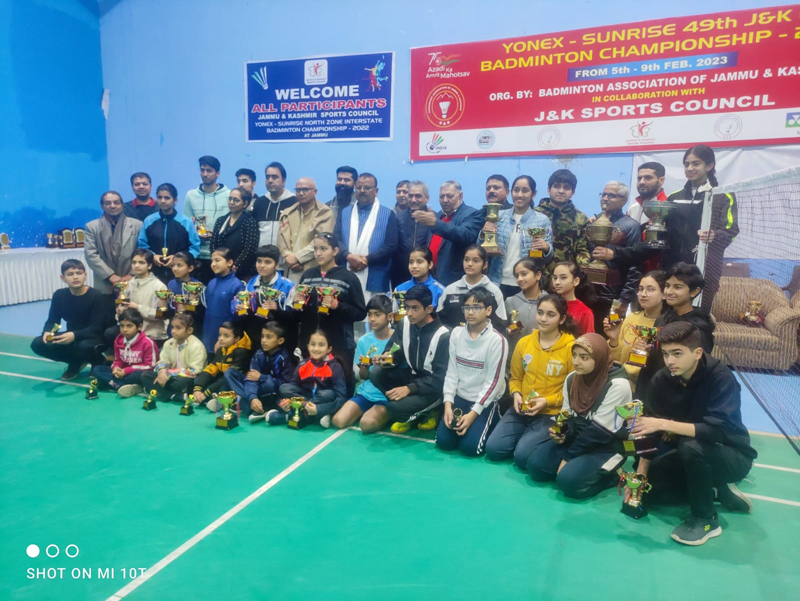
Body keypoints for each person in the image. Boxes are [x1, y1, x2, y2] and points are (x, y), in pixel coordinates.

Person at [629, 322, 756, 546]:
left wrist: (665, 424)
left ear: (697, 353)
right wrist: (640, 479)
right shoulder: (662, 379)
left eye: (677, 353)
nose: (670, 361)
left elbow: (717, 430)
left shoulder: (721, 378)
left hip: (730, 454)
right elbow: (650, 431)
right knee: (652, 491)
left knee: (692, 447)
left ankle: (706, 520)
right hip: (686, 450)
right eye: (666, 354)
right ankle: (715, 490)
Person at [526, 333, 632, 498]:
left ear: (599, 359)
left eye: (584, 357)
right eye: (574, 355)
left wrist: (568, 457)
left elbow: (599, 432)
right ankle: (576, 469)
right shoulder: (572, 379)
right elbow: (567, 416)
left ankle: (613, 475)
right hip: (579, 439)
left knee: (568, 483)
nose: (576, 362)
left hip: (607, 447)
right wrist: (561, 433)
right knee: (535, 466)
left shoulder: (618, 385)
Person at [485, 294, 577, 464]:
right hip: (522, 408)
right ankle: (526, 438)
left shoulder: (570, 348)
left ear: (562, 319)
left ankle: (531, 441)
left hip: (550, 413)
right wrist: (516, 394)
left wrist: (547, 401)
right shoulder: (524, 343)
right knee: (493, 449)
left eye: (550, 315)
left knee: (522, 457)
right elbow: (515, 377)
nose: (543, 319)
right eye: (540, 312)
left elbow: (572, 392)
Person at [436, 287, 508, 457]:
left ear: (488, 310)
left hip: (484, 402)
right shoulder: (456, 334)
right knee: (444, 443)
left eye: (476, 307)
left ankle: (493, 419)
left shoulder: (497, 341)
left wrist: (473, 414)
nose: (470, 312)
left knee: (470, 449)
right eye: (467, 307)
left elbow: (493, 383)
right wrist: (448, 405)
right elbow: (452, 372)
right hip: (460, 398)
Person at [370, 285, 450, 434]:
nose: (409, 313)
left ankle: (433, 409)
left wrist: (408, 389)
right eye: (407, 307)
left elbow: (440, 380)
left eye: (415, 308)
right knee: (376, 373)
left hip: (434, 388)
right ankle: (411, 410)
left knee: (395, 409)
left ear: (429, 309)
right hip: (412, 378)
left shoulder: (443, 335)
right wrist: (387, 357)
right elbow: (394, 349)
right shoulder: (404, 323)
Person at [666, 145, 737, 311]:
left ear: (709, 165)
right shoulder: (673, 197)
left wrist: (714, 235)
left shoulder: (723, 195)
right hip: (672, 265)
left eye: (696, 163)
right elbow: (665, 229)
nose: (690, 168)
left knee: (699, 315)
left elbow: (731, 230)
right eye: (686, 164)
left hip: (705, 268)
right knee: (669, 314)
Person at [635, 262, 715, 403]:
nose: (669, 292)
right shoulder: (662, 319)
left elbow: (699, 369)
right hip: (651, 388)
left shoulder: (697, 328)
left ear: (694, 292)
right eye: (667, 286)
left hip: (675, 397)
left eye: (677, 287)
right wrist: (647, 350)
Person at [294, 233, 367, 369]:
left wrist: (338, 306)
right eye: (315, 249)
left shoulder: (348, 277)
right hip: (310, 343)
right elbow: (299, 315)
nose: (318, 253)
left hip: (339, 345)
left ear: (335, 251)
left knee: (339, 379)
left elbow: (361, 313)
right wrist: (298, 304)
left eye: (323, 249)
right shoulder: (308, 276)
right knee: (308, 379)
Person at [30, 259, 106, 380]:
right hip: (71, 335)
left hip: (94, 337)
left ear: (85, 275)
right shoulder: (59, 295)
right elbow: (53, 320)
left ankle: (98, 362)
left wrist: (74, 335)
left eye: (79, 273)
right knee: (38, 344)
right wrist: (48, 331)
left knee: (82, 346)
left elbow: (97, 328)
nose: (75, 277)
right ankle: (75, 362)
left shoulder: (96, 296)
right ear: (63, 278)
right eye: (70, 274)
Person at [332, 295, 395, 432]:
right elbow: (363, 376)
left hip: (387, 395)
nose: (372, 319)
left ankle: (391, 413)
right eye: (370, 314)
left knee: (366, 425)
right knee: (338, 421)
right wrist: (364, 368)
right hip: (366, 393)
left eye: (377, 314)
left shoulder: (398, 340)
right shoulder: (363, 341)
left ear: (389, 316)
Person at [483, 175, 553, 296]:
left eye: (525, 190)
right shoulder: (499, 216)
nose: (519, 195)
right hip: (497, 282)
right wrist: (483, 233)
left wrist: (546, 248)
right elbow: (482, 250)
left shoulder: (542, 220)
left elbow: (548, 257)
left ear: (533, 194)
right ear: (511, 192)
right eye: (516, 190)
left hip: (526, 283)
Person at [588, 180, 642, 335]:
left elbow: (636, 266)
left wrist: (624, 300)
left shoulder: (630, 226)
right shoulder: (593, 223)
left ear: (624, 201)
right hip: (589, 293)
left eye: (611, 195)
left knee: (610, 334)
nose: (605, 198)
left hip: (614, 297)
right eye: (603, 194)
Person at [334, 173, 399, 299]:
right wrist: (349, 256)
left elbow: (391, 245)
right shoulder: (345, 212)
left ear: (376, 191)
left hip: (376, 276)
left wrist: (365, 260)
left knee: (375, 309)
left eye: (367, 188)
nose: (362, 191)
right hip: (346, 271)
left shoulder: (387, 214)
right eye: (358, 188)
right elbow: (336, 239)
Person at [410, 180, 483, 286]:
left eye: (449, 196)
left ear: (460, 196)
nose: (445, 200)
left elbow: (464, 235)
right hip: (432, 279)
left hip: (454, 279)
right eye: (441, 197)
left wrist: (435, 223)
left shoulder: (472, 214)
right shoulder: (438, 215)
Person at [273, 330, 348, 428]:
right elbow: (292, 387)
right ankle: (310, 413)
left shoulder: (335, 367)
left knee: (327, 394)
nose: (316, 349)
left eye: (321, 345)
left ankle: (297, 415)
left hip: (322, 400)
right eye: (313, 344)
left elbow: (342, 398)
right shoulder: (303, 364)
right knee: (284, 388)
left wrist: (319, 409)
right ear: (308, 346)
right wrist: (284, 402)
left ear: (329, 348)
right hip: (306, 397)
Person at [605, 271, 666, 392]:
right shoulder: (632, 317)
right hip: (618, 384)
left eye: (650, 289)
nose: (643, 294)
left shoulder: (666, 325)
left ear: (664, 294)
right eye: (641, 289)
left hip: (645, 389)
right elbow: (616, 360)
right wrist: (613, 340)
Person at [233, 245, 296, 354]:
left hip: (278, 342)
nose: (262, 266)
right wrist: (242, 308)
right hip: (255, 336)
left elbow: (294, 317)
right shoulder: (251, 283)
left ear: (277, 265)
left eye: (267, 262)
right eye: (259, 261)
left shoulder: (288, 286)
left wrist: (278, 308)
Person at [225, 321, 294, 420]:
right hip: (256, 389)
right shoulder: (258, 354)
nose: (263, 341)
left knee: (269, 383)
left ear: (280, 341)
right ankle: (252, 404)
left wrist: (262, 377)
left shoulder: (285, 357)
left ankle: (255, 407)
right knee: (229, 373)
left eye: (268, 337)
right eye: (262, 336)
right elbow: (251, 379)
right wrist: (253, 397)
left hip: (272, 392)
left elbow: (285, 384)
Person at [84, 191, 142, 308]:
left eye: (116, 202)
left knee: (132, 316)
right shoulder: (92, 227)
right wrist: (111, 276)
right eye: (108, 203)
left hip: (132, 280)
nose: (112, 206)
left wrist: (131, 274)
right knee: (106, 316)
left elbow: (142, 252)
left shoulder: (137, 225)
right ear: (102, 206)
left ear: (122, 205)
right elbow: (91, 255)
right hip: (104, 283)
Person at [105, 249, 169, 347]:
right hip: (131, 330)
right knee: (109, 333)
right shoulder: (127, 284)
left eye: (141, 263)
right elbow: (121, 313)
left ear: (149, 266)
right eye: (134, 262)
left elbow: (162, 315)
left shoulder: (159, 286)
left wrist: (138, 307)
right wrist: (120, 313)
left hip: (151, 332)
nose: (137, 266)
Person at [138, 183, 200, 283]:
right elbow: (142, 245)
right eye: (160, 197)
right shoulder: (149, 220)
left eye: (167, 198)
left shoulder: (185, 222)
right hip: (154, 274)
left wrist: (177, 259)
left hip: (181, 276)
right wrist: (153, 256)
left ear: (175, 200)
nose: (163, 201)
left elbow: (194, 247)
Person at [277, 177, 335, 283]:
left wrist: (298, 258)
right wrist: (288, 257)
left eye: (305, 189)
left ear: (315, 191)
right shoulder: (288, 213)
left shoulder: (324, 212)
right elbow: (281, 240)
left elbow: (321, 242)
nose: (301, 193)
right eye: (298, 190)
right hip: (290, 267)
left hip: (313, 268)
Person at [182, 155, 230, 283]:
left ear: (217, 173)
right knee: (196, 292)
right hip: (196, 254)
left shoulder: (228, 195)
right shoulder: (191, 195)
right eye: (202, 170)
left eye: (209, 171)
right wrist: (196, 233)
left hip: (220, 255)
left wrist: (216, 236)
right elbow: (186, 224)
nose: (205, 174)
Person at [90, 308, 158, 397]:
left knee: (141, 375)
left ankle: (111, 383)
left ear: (139, 326)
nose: (125, 329)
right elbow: (118, 360)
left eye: (129, 326)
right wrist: (115, 368)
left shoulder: (148, 343)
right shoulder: (119, 341)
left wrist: (126, 371)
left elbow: (151, 366)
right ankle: (122, 385)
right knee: (97, 369)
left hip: (136, 373)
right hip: (123, 373)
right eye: (122, 326)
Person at [140, 314, 207, 403]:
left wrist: (168, 373)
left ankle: (155, 391)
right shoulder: (168, 343)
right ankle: (173, 396)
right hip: (170, 377)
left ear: (189, 330)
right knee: (145, 375)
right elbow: (162, 362)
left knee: (178, 383)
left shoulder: (197, 346)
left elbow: (194, 371)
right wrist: (162, 372)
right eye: (172, 327)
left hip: (188, 379)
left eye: (178, 328)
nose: (173, 331)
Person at [438, 245, 507, 331]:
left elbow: (500, 323)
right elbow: (440, 321)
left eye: (475, 260)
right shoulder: (450, 290)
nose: (469, 264)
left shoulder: (494, 291)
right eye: (466, 259)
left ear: (485, 265)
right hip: (453, 338)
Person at [534, 169, 591, 275]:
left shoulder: (581, 218)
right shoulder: (534, 214)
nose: (561, 191)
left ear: (572, 192)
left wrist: (582, 273)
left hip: (568, 278)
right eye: (556, 186)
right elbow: (528, 248)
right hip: (539, 275)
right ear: (548, 190)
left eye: (566, 188)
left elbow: (582, 250)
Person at [192, 321, 252, 409]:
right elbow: (210, 370)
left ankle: (221, 401)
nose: (221, 339)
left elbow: (228, 378)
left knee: (224, 385)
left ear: (237, 338)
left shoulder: (241, 352)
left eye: (226, 336)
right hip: (222, 379)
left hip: (238, 383)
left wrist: (206, 392)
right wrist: (197, 389)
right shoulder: (221, 350)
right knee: (198, 380)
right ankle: (208, 398)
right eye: (220, 335)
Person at [201, 247, 245, 354]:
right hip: (207, 334)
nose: (213, 264)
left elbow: (236, 317)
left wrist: (223, 338)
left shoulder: (237, 285)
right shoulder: (211, 282)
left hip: (224, 339)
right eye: (212, 261)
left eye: (217, 260)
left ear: (229, 262)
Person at [210, 186, 259, 281]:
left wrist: (234, 266)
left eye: (236, 200)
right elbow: (213, 244)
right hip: (220, 269)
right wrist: (217, 262)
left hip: (242, 272)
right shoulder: (220, 221)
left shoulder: (250, 222)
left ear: (245, 204)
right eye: (230, 199)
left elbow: (250, 248)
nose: (231, 202)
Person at [394, 180, 434, 287]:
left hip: (427, 277)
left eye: (418, 196)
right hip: (400, 276)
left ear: (427, 198)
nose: (413, 200)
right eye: (410, 196)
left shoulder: (434, 219)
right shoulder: (397, 218)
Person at [252, 162, 297, 247]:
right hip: (262, 253)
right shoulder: (259, 202)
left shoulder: (294, 202)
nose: (270, 180)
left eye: (274, 177)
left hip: (285, 254)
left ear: (283, 181)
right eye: (267, 177)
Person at [505, 259, 546, 342]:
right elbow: (501, 328)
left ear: (538, 275)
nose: (519, 279)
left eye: (524, 274)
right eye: (516, 276)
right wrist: (508, 331)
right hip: (515, 349)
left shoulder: (549, 302)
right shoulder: (510, 301)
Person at [393, 246, 445, 312]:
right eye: (411, 262)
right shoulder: (399, 289)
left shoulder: (440, 291)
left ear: (430, 265)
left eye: (419, 262)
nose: (414, 266)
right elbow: (394, 314)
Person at [167, 251, 205, 340]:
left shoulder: (198, 286)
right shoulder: (171, 284)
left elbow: (201, 312)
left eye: (179, 265)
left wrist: (188, 307)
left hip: (192, 329)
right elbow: (169, 308)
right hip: (173, 327)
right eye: (173, 265)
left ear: (190, 268)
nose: (175, 268)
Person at [552, 261, 595, 335]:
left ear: (576, 281)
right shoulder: (550, 304)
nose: (557, 282)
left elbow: (589, 339)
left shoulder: (585, 312)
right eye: (555, 278)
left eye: (563, 278)